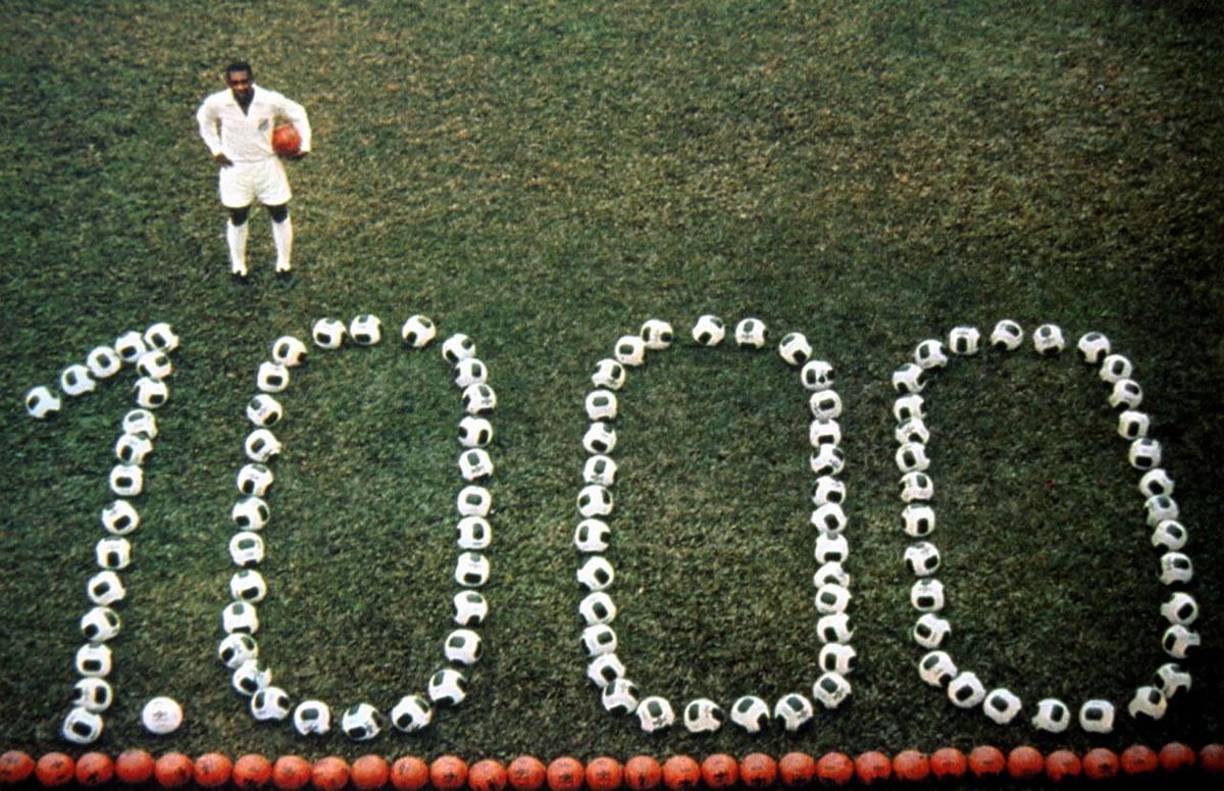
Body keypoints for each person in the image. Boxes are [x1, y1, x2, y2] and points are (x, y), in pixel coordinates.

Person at [196, 61, 311, 277]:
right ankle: (239, 267)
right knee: (238, 215)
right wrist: (216, 149)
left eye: (244, 81)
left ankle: (284, 264)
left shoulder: (269, 99)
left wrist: (304, 145)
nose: (240, 87)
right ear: (228, 82)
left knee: (279, 212)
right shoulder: (218, 102)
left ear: (252, 79)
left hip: (266, 164)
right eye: (235, 82)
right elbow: (204, 120)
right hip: (235, 167)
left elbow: (297, 111)